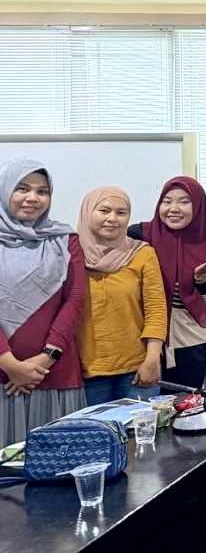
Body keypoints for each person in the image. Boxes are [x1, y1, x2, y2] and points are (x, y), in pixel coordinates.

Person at [0, 160, 86, 445]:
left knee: (57, 460)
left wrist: (47, 357)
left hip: (54, 373)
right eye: (22, 189)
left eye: (42, 191)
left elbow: (75, 299)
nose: (32, 198)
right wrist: (9, 363)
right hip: (4, 374)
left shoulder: (65, 239)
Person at [134, 176, 206, 388]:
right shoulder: (140, 236)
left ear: (198, 206)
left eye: (184, 202)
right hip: (142, 339)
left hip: (190, 342)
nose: (173, 208)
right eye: (167, 201)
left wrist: (203, 280)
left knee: (184, 402)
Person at [76, 187, 166, 405]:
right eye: (104, 211)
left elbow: (156, 309)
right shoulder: (72, 254)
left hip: (136, 370)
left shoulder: (142, 253)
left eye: (121, 212)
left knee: (142, 427)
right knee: (92, 428)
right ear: (88, 211)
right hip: (85, 372)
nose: (112, 218)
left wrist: (152, 358)